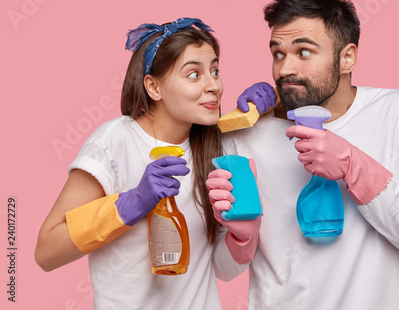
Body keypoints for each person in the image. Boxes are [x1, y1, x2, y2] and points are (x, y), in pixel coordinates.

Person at [207, 0, 399, 309]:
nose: (285, 69)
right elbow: (222, 271)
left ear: (347, 57)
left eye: (304, 52)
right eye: (278, 53)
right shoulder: (247, 133)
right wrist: (240, 238)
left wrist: (357, 168)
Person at [35, 18, 258, 309]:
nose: (214, 85)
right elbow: (47, 252)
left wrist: (243, 237)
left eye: (215, 71)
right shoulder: (115, 141)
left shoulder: (214, 150)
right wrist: (132, 202)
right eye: (194, 74)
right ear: (154, 87)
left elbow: (221, 270)